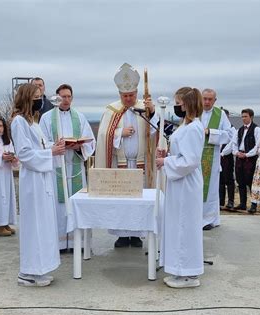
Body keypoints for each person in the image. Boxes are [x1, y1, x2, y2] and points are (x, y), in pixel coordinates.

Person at [94, 63, 158, 248]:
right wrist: (119, 132)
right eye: (125, 96)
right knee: (121, 200)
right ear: (119, 95)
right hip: (120, 164)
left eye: (131, 95)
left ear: (136, 93)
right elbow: (103, 136)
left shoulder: (145, 107)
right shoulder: (112, 110)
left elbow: (156, 131)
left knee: (138, 200)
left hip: (140, 164)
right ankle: (122, 235)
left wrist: (152, 112)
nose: (128, 99)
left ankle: (137, 235)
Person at [10, 83, 65, 286]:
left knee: (43, 225)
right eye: (36, 96)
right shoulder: (18, 122)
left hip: (43, 179)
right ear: (26, 98)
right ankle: (27, 272)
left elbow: (40, 147)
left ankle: (40, 269)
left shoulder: (33, 123)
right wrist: (51, 152)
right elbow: (24, 153)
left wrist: (54, 147)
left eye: (40, 96)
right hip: (32, 180)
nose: (40, 100)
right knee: (34, 225)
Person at [156, 87, 205, 288]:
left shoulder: (193, 128)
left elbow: (191, 160)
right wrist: (167, 153)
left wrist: (166, 162)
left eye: (178, 102)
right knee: (178, 225)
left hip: (186, 183)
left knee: (185, 226)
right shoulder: (186, 125)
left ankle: (187, 273)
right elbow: (181, 152)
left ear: (187, 104)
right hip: (180, 182)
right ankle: (179, 269)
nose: (176, 106)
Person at [40, 84, 96, 251]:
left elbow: (90, 140)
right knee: (59, 206)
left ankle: (78, 244)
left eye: (68, 96)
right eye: (62, 96)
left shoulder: (79, 117)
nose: (66, 100)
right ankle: (59, 244)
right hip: (56, 166)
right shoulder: (47, 118)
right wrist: (56, 146)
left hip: (75, 165)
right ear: (56, 97)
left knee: (76, 204)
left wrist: (78, 146)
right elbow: (42, 142)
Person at [199, 89, 233, 230]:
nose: (207, 102)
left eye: (210, 99)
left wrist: (211, 132)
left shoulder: (220, 114)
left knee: (210, 189)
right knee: (195, 188)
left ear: (215, 100)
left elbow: (229, 134)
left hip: (211, 158)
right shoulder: (194, 111)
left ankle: (207, 219)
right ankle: (194, 217)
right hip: (194, 157)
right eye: (204, 98)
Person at [231, 108, 260, 211]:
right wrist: (236, 152)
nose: (243, 118)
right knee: (240, 181)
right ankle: (242, 203)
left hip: (250, 159)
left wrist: (247, 155)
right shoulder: (239, 130)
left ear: (251, 117)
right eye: (242, 116)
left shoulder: (257, 129)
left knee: (251, 182)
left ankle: (253, 205)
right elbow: (234, 143)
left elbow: (258, 145)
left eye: (246, 116)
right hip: (240, 157)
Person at [218, 109, 236, 210]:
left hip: (226, 156)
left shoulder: (232, 128)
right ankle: (220, 201)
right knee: (220, 180)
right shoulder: (217, 128)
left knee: (229, 179)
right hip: (218, 156)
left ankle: (231, 201)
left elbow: (232, 142)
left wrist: (223, 152)